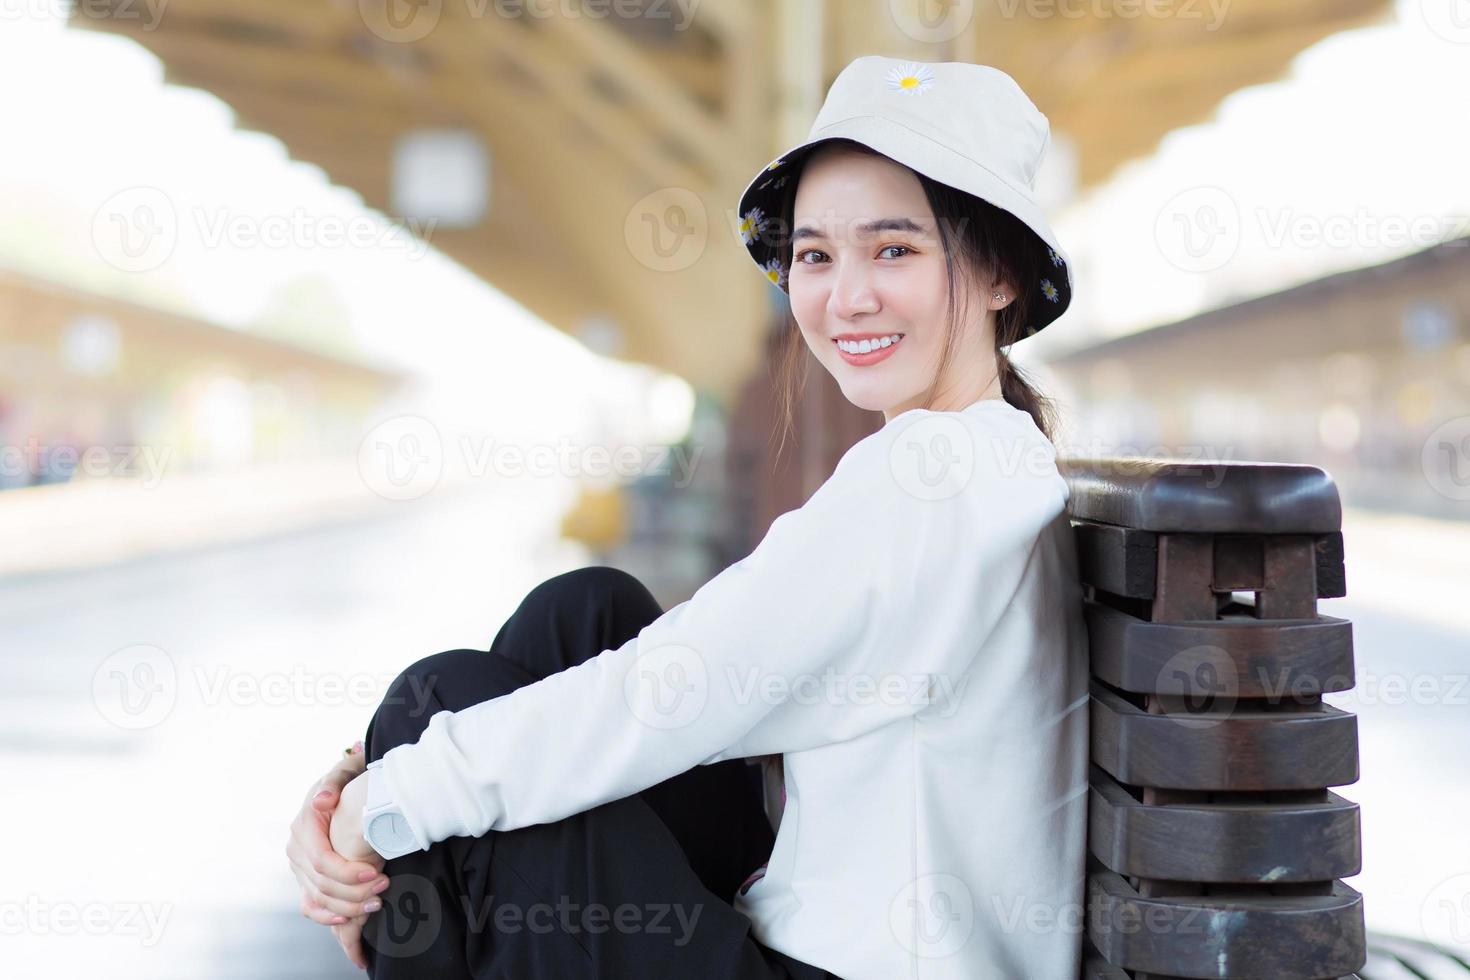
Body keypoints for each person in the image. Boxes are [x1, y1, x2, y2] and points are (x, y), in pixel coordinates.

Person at [286, 55, 1089, 979]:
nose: (844, 295)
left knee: (442, 708)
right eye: (816, 254)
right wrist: (360, 776)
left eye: (894, 249)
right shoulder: (989, 456)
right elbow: (694, 675)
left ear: (999, 276)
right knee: (581, 614)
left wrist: (368, 815)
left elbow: (658, 697)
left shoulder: (931, 475)